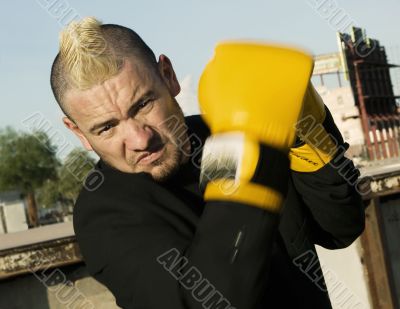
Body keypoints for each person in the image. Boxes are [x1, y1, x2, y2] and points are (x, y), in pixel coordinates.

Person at [50, 17, 365, 309]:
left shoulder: (229, 129)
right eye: (107, 127)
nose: (139, 139)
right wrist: (245, 160)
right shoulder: (104, 213)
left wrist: (307, 126)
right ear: (78, 132)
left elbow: (339, 228)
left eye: (143, 104)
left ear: (168, 76)